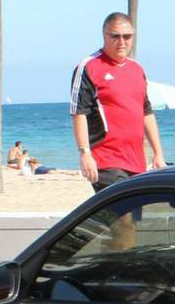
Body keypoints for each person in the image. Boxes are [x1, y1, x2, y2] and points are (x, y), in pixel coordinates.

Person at [70, 12, 164, 194]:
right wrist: (85, 153)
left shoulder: (137, 68)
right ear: (104, 35)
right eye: (115, 36)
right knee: (123, 212)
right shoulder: (89, 66)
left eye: (127, 36)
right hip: (106, 159)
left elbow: (146, 112)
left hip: (136, 161)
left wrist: (158, 153)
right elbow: (79, 112)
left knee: (132, 211)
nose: (122, 42)